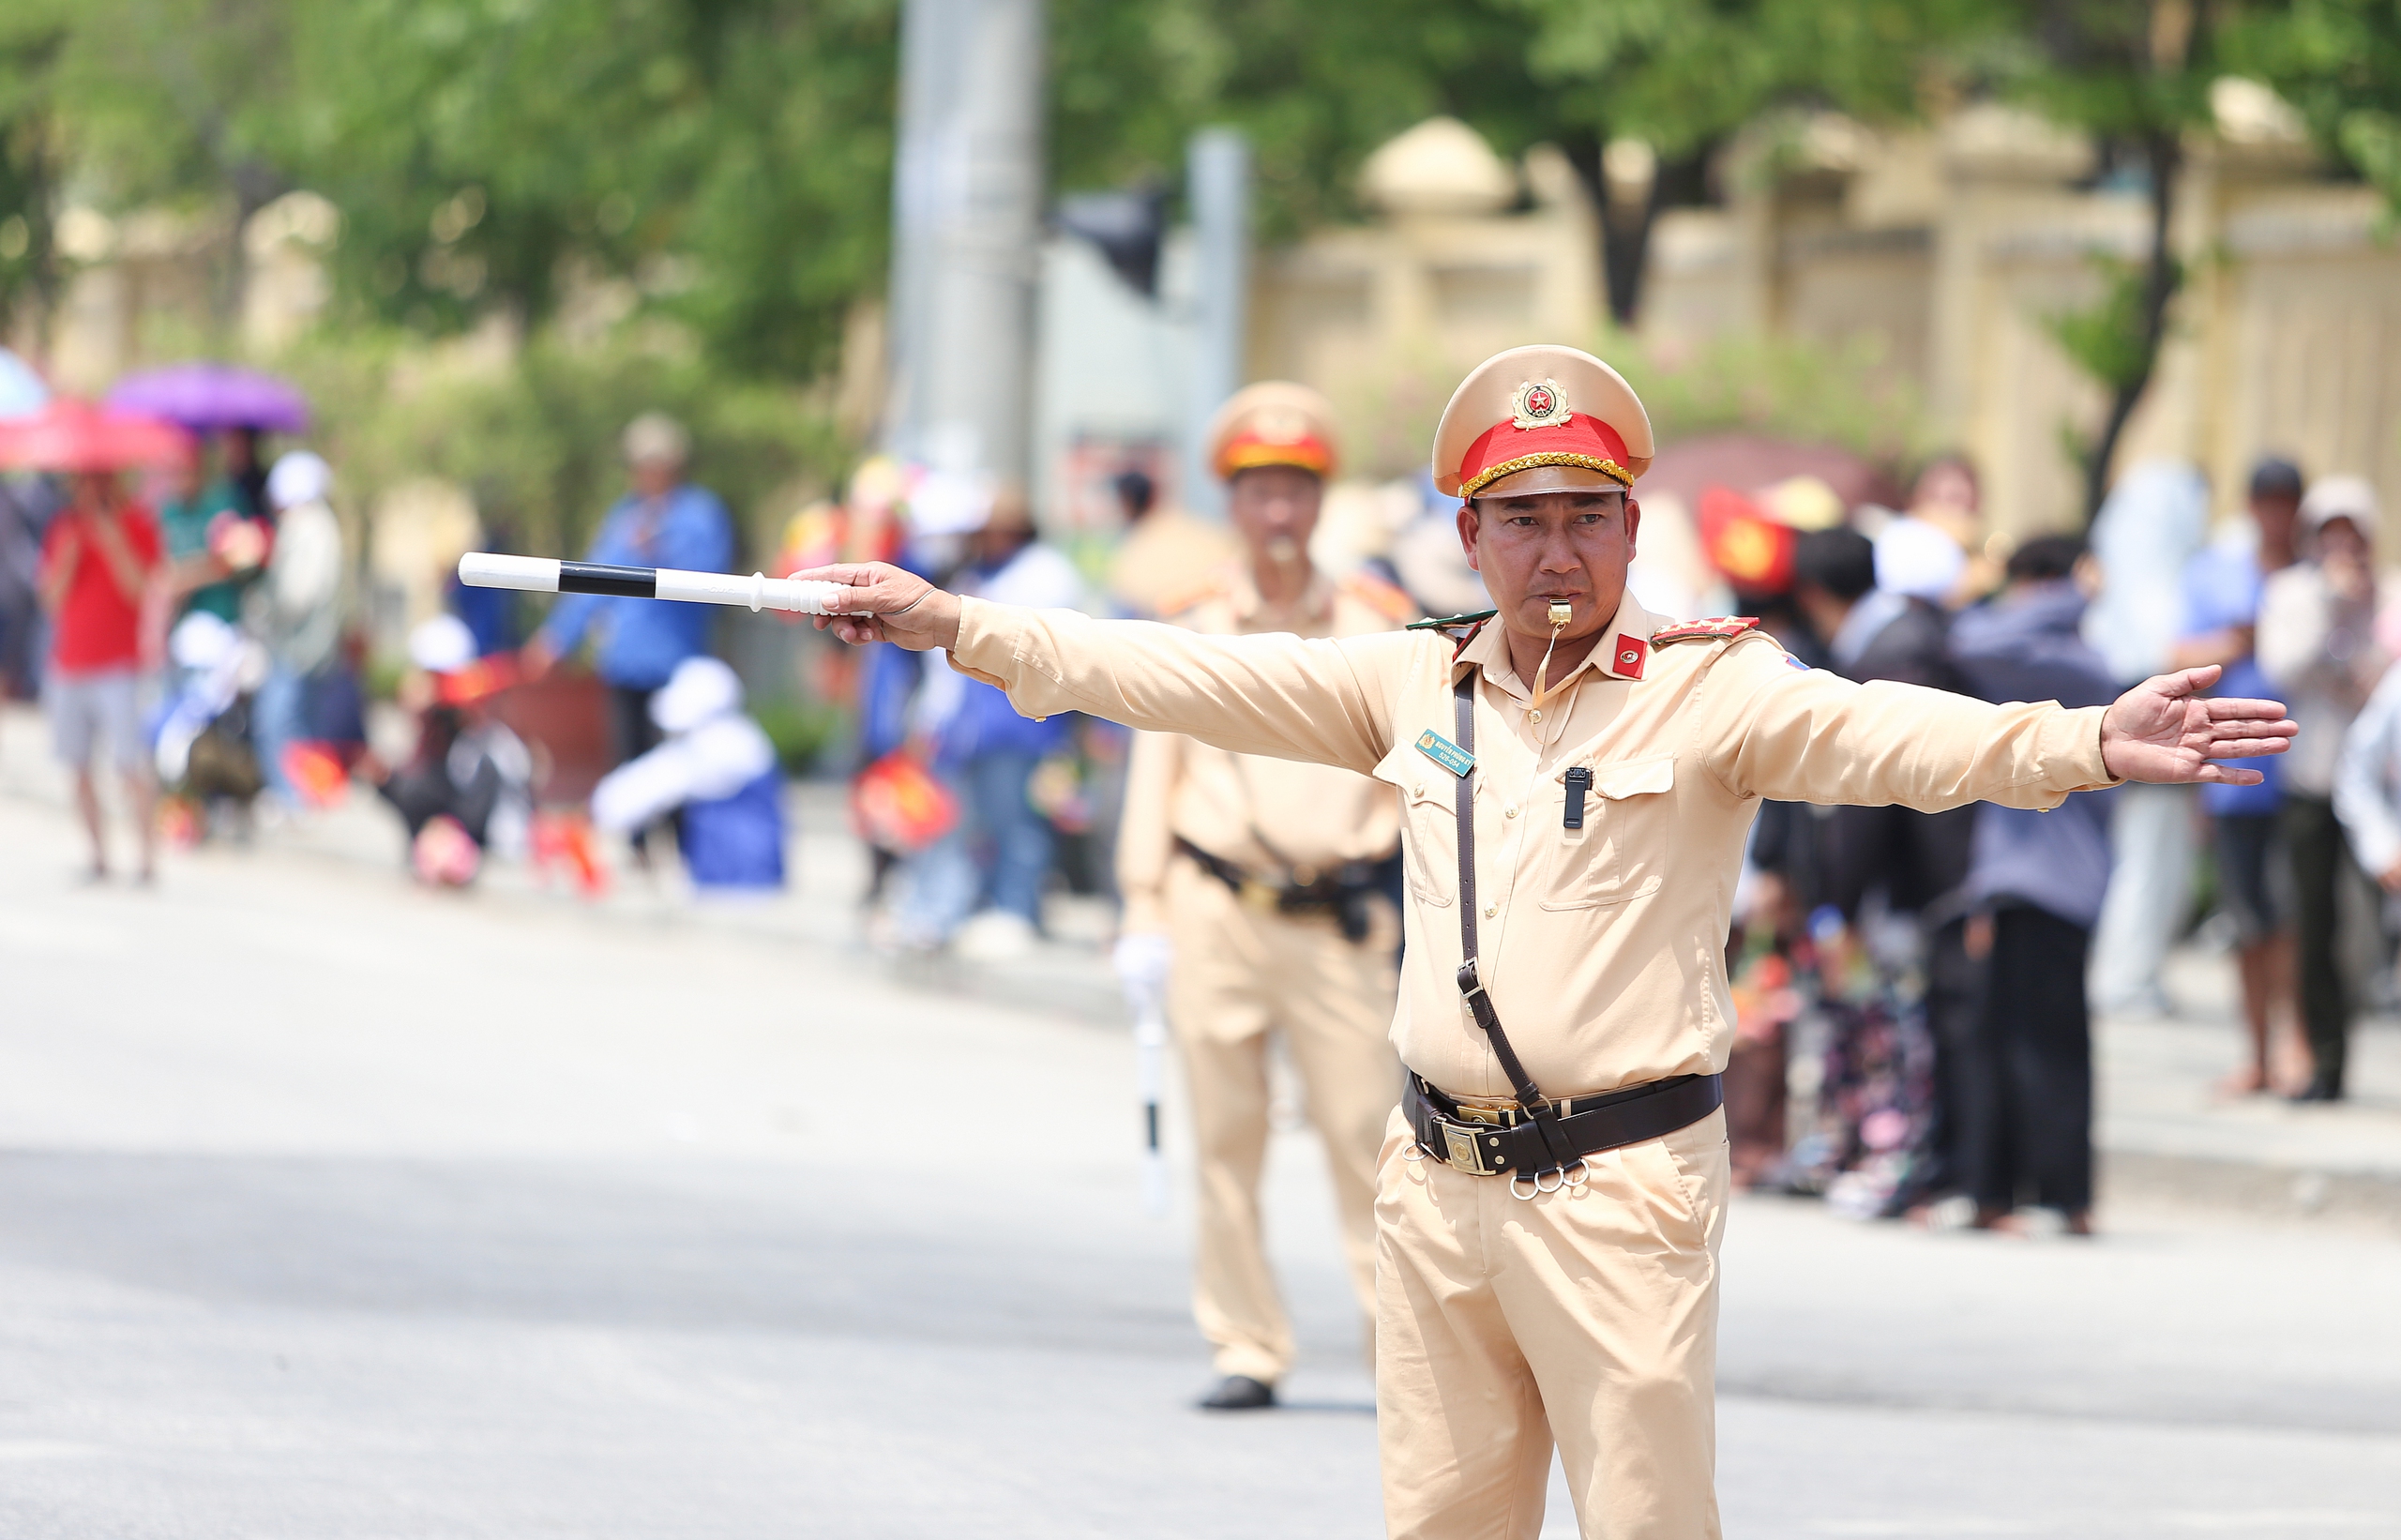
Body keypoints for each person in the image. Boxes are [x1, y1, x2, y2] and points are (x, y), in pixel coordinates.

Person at [795, 343, 2295, 1540]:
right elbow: (1186, 674)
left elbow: (1889, 735)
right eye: (1525, 519)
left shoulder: (1709, 688)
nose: (1557, 552)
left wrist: (2087, 738)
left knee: (1645, 1521)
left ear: (1634, 529)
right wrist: (957, 623)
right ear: (1472, 534)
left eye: (1588, 516)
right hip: (1438, 1184)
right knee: (1442, 1523)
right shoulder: (1411, 684)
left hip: (1621, 1189)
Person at [1112, 382, 1411, 1412]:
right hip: (1215, 905)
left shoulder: (1378, 622)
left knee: (1369, 1141)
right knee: (1224, 1140)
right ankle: (1245, 1342)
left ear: (1320, 501)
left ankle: (1400, 1350)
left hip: (1339, 915)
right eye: (1258, 492)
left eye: (1295, 491)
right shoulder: (1194, 621)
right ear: (1232, 504)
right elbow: (1155, 767)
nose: (1278, 513)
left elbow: (1425, 760)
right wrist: (1141, 905)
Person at [1789, 526, 1976, 1215]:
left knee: (1896, 1033)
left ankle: (1902, 1164)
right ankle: (1885, 1157)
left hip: (1904, 885)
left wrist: (1840, 896)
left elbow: (1872, 788)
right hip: (1910, 880)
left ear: (1812, 591)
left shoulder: (1887, 650)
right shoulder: (1903, 636)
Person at [1948, 536, 2119, 1234]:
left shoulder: (2071, 661)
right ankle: (2022, 1193)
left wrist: (2068, 590)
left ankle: (2062, 1197)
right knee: (2012, 1041)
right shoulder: (2048, 653)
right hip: (2028, 879)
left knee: (2045, 1046)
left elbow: (1973, 637)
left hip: (2051, 881)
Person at [521, 413, 733, 853]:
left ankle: (683, 845)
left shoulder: (699, 514)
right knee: (628, 754)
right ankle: (638, 848)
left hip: (677, 661)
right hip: (626, 658)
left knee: (678, 759)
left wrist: (664, 550)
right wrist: (556, 638)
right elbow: (591, 581)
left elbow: (715, 580)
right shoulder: (624, 515)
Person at [891, 485, 1086, 956]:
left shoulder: (1046, 573)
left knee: (1016, 823)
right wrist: (927, 719)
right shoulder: (968, 573)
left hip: (1020, 723)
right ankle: (945, 912)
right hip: (961, 728)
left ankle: (1016, 911)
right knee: (949, 823)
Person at [2172, 456, 2303, 1093]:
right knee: (2248, 922)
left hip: (2306, 777)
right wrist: (2243, 637)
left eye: (2287, 501)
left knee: (2296, 920)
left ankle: (2296, 1044)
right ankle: (2256, 1052)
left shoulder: (2313, 572)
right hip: (2234, 774)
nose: (2277, 513)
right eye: (2267, 500)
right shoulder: (2216, 573)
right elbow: (2178, 655)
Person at [2258, 474, 2388, 1102]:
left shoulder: (2390, 597)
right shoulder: (2292, 593)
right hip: (2313, 777)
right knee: (2315, 924)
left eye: (2352, 532)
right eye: (2331, 532)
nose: (2343, 545)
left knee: (2379, 922)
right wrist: (2332, 608)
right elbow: (2284, 664)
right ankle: (2327, 1064)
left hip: (2384, 789)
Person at [2084, 461, 2213, 1016]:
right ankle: (2126, 978)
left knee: (2149, 859)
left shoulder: (2129, 574)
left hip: (2129, 736)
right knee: (2146, 859)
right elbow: (2166, 651)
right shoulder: (2153, 579)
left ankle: (2131, 972)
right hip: (2147, 741)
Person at [38, 468, 163, 882]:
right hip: (69, 664)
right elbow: (50, 600)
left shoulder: (139, 524)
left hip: (118, 666)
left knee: (130, 763)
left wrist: (113, 540)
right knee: (77, 766)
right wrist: (72, 556)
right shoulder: (64, 528)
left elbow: (140, 590)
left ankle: (146, 858)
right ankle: (98, 855)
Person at [591, 656, 785, 891]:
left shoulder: (714, 746)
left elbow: (617, 804)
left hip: (734, 884)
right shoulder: (745, 737)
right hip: (757, 876)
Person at [366, 615, 533, 884]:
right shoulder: (435, 730)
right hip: (463, 819)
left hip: (496, 836)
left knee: (416, 788)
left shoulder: (481, 737)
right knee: (404, 783)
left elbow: (476, 807)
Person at [247, 451, 344, 808]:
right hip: (310, 648)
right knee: (302, 726)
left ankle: (291, 799)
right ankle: (306, 797)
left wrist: (263, 608)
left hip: (297, 648)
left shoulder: (308, 527)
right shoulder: (321, 525)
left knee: (277, 722)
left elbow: (297, 594)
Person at [1106, 462, 1241, 617]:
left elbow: (1128, 601)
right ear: (1154, 496)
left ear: (1125, 502)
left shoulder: (1134, 553)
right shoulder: (1194, 528)